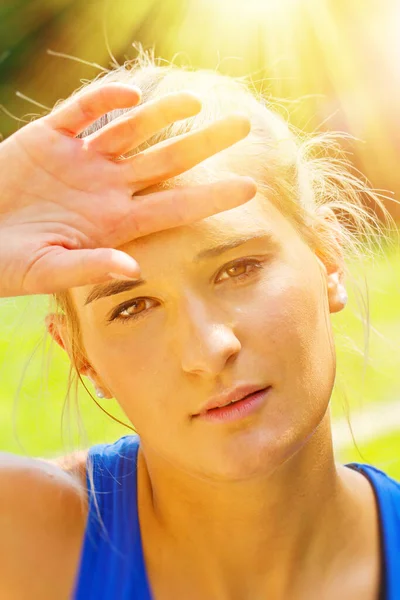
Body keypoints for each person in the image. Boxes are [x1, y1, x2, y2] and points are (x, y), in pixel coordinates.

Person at [0, 52, 399, 600]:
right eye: (131, 307)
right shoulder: (24, 544)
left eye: (238, 268)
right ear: (81, 356)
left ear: (328, 260)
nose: (208, 349)